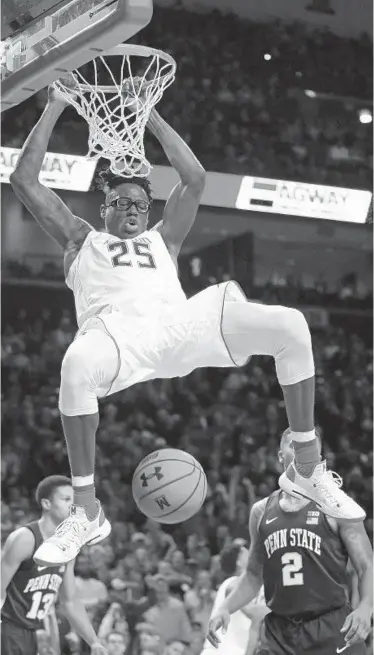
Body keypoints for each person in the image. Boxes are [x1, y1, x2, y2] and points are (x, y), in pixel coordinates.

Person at [9, 78, 364, 566]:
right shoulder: (79, 238)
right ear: (104, 208)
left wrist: (148, 112)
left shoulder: (164, 239)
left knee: (291, 325)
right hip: (118, 339)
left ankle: (306, 464)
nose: (132, 211)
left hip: (180, 326)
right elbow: (24, 182)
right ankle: (87, 510)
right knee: (74, 367)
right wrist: (53, 107)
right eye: (121, 204)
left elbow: (195, 179)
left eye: (140, 204)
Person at [207, 430, 373, 655]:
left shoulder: (338, 506)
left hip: (330, 626)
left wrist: (365, 607)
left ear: (318, 458)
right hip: (279, 632)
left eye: (309, 447)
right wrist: (226, 608)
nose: (301, 451)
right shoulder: (261, 511)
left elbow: (366, 566)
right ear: (279, 456)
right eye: (294, 445)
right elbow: (254, 576)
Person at [1, 475, 107, 655]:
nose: (72, 506)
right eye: (66, 499)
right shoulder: (25, 538)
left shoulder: (69, 545)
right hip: (9, 628)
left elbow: (70, 600)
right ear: (46, 504)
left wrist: (94, 641)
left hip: (35, 632)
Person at [202, 544, 268, 655]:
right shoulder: (231, 583)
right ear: (239, 562)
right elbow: (254, 613)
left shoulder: (259, 589)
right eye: (247, 553)